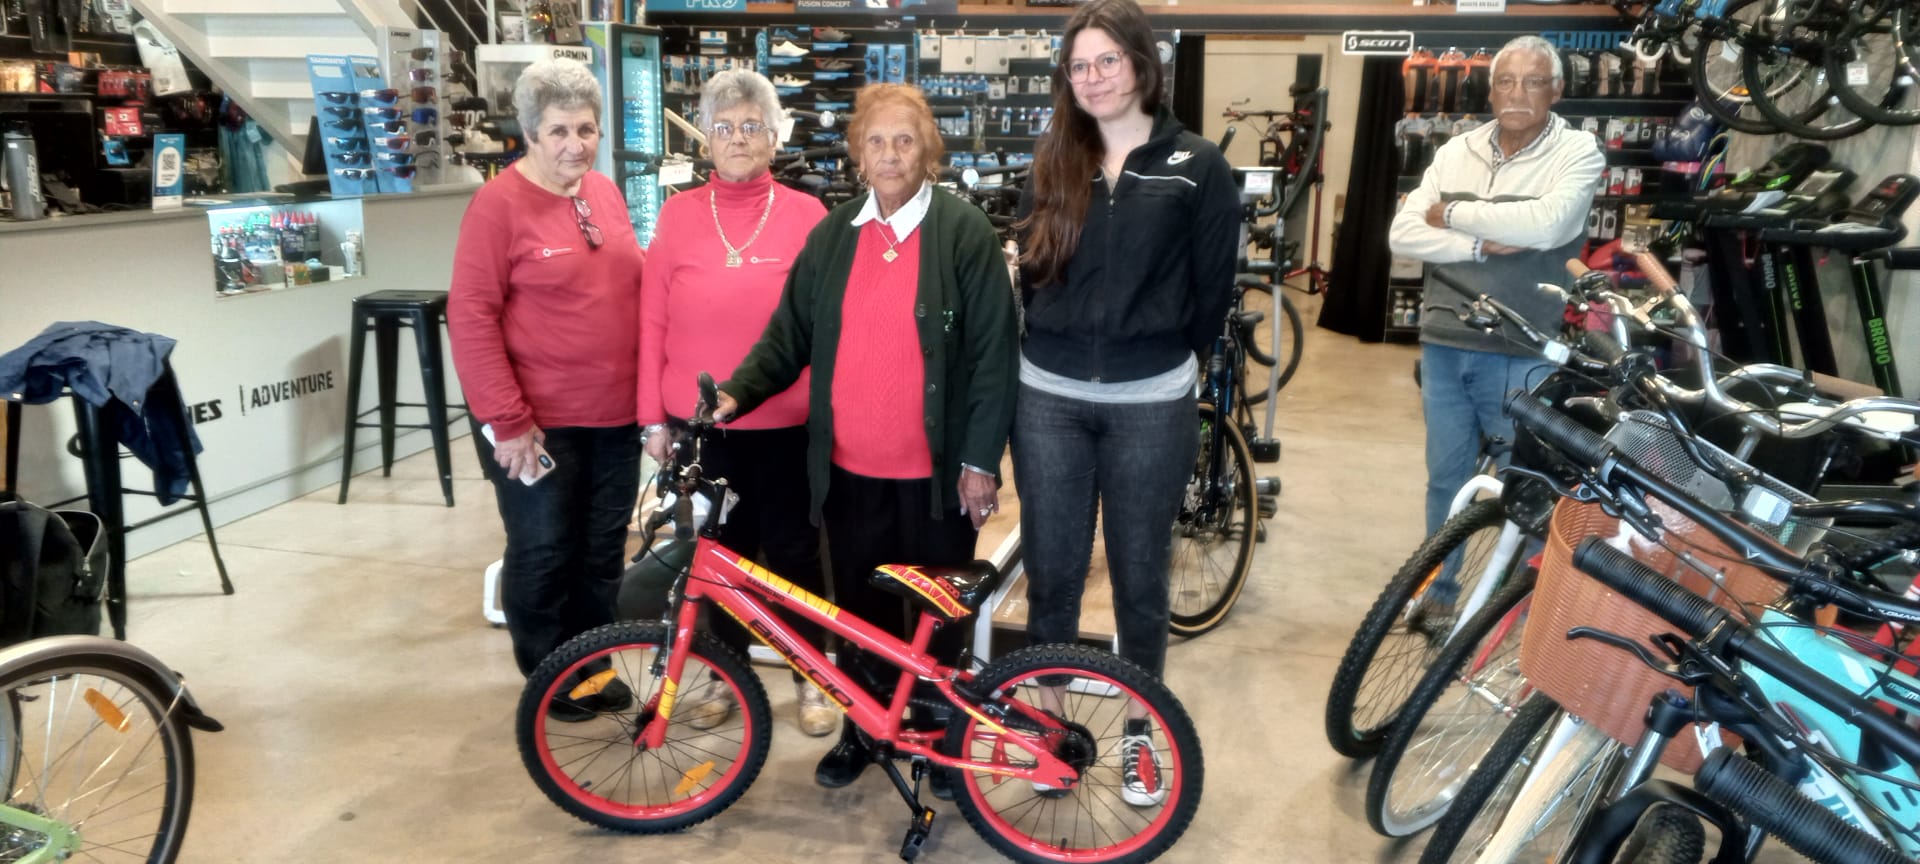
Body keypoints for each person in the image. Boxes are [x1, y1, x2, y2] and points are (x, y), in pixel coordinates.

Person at [713, 83, 1019, 793]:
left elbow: (992, 358)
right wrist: (735, 393)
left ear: (928, 150)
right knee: (858, 616)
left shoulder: (963, 231)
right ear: (857, 153)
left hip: (936, 478)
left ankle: (942, 738)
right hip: (849, 474)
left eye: (904, 141)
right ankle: (864, 733)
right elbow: (787, 336)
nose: (890, 154)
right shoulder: (834, 235)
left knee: (934, 623)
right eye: (875, 141)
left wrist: (979, 463)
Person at [1012, 0, 1239, 808]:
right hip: (1048, 398)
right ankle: (1047, 736)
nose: (1093, 77)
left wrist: (1163, 354)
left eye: (1108, 61)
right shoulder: (1053, 160)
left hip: (1152, 401)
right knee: (1053, 578)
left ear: (1142, 65)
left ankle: (1143, 737)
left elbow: (1213, 290)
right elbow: (1034, 267)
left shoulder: (1197, 166)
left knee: (1142, 579)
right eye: (1079, 65)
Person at [637, 69, 835, 738]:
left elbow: (827, 329)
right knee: (719, 560)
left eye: (752, 126)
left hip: (788, 425)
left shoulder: (809, 216)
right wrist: (650, 419)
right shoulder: (678, 214)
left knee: (795, 556)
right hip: (702, 431)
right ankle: (729, 682)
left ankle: (811, 680)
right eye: (724, 127)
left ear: (774, 137)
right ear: (707, 141)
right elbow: (652, 324)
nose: (738, 138)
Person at [448, 59, 643, 721]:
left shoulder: (604, 193)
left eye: (587, 129)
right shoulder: (497, 206)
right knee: (544, 547)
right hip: (538, 421)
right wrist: (507, 420)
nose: (575, 145)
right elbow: (471, 316)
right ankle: (549, 673)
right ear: (529, 134)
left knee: (601, 550)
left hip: (615, 415)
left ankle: (591, 666)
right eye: (558, 131)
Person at [1387, 35, 1605, 601]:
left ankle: (1516, 600)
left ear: (1557, 90)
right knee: (1446, 479)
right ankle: (1437, 591)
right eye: (1506, 81)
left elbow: (1547, 226)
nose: (1517, 94)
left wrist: (1452, 214)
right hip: (1445, 337)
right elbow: (1403, 233)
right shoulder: (1455, 150)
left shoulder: (1578, 152)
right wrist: (1482, 244)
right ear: (1490, 90)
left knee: (1526, 479)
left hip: (1522, 344)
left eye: (1534, 82)